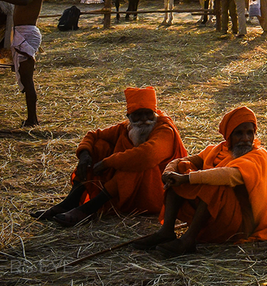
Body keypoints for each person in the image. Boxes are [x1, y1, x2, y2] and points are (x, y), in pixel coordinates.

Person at [135, 106, 267, 258]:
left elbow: (228, 175)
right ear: (229, 136)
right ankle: (166, 232)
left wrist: (186, 179)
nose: (246, 139)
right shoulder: (218, 150)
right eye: (239, 133)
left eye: (250, 133)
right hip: (217, 217)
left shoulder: (259, 155)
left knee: (214, 184)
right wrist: (169, 172)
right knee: (182, 168)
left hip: (241, 224)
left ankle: (189, 239)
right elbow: (185, 160)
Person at [34, 86, 187, 226]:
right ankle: (69, 202)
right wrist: (84, 155)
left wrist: (108, 162)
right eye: (138, 115)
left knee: (135, 163)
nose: (144, 120)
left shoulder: (164, 130)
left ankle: (88, 209)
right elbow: (93, 135)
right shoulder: (125, 128)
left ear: (154, 113)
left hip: (156, 195)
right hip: (130, 193)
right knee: (98, 146)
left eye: (148, 114)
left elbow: (147, 156)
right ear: (129, 116)